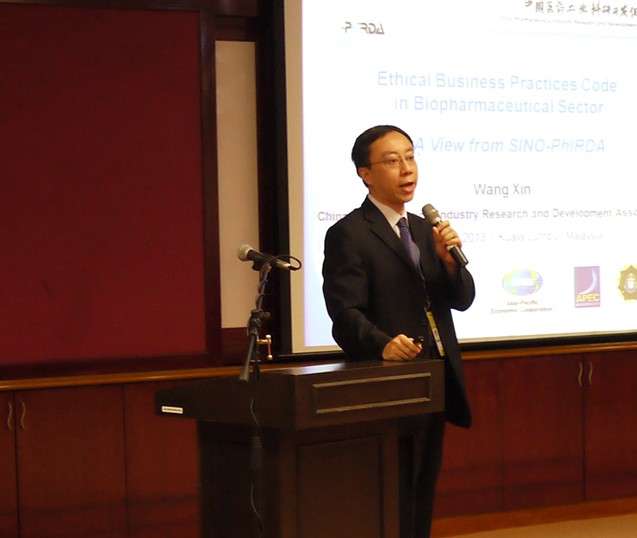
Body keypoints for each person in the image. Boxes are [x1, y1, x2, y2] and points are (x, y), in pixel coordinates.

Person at [322, 124, 475, 538]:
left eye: (410, 157)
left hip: (435, 376)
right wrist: (383, 345)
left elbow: (462, 299)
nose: (407, 169)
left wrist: (449, 263)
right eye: (392, 161)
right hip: (387, 383)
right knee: (394, 494)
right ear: (365, 174)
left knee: (423, 489)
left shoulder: (426, 231)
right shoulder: (349, 234)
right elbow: (344, 313)